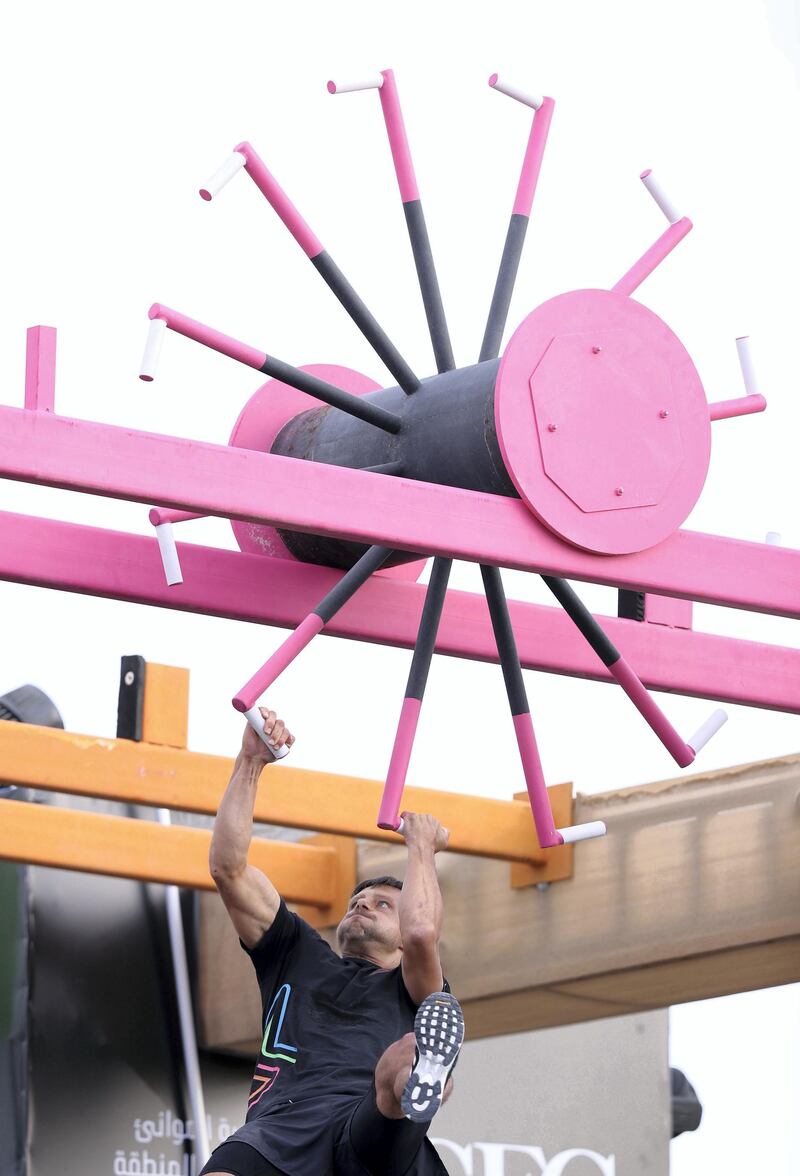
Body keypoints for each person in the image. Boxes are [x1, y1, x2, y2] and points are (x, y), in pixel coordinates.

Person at [200, 706, 464, 1176]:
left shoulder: (417, 984)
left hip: (368, 1125)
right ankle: (422, 1077)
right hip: (280, 1127)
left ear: (400, 938)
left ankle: (424, 1077)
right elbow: (228, 868)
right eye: (358, 900)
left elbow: (422, 931)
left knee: (398, 1063)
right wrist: (250, 761)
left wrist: (420, 847)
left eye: (383, 905)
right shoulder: (295, 952)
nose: (362, 904)